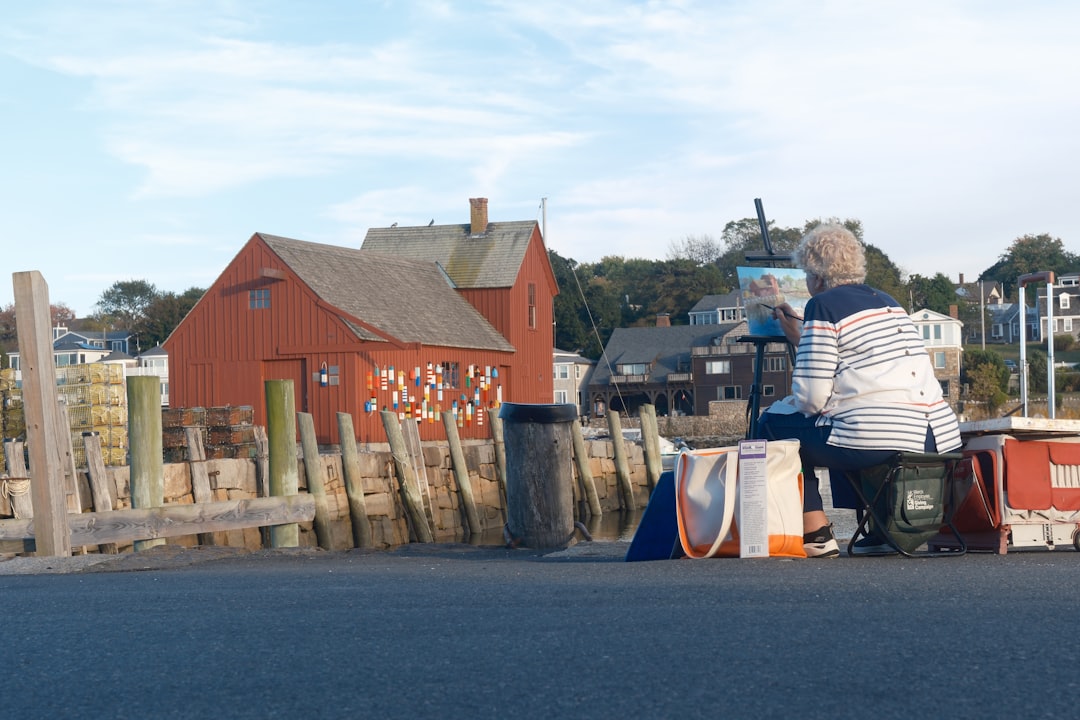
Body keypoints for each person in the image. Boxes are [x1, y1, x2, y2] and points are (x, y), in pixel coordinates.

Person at [757, 223, 962, 557]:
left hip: (881, 436)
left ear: (817, 277)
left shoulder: (823, 305)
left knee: (772, 425)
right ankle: (878, 528)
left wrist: (806, 337)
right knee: (845, 420)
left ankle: (816, 533)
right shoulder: (889, 302)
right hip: (938, 437)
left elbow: (810, 398)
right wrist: (803, 338)